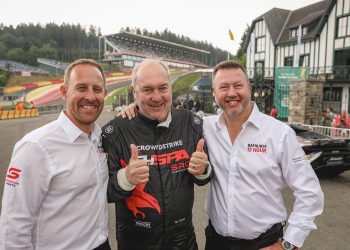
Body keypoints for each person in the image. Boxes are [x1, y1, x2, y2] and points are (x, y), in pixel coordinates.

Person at [203, 60, 324, 250]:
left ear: (249, 89)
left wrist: (288, 243)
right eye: (224, 87)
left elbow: (310, 192)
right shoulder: (205, 127)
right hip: (216, 241)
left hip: (264, 244)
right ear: (214, 92)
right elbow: (169, 118)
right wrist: (137, 111)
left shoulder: (279, 133)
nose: (232, 93)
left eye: (238, 85)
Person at [102, 59, 212, 250]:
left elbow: (204, 178)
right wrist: (125, 179)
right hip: (135, 243)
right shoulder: (115, 131)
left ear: (171, 87)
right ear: (134, 91)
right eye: (147, 90)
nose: (157, 97)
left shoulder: (191, 123)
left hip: (183, 242)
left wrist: (204, 170)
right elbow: (103, 192)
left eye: (163, 88)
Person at [0, 59, 111, 250]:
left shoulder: (100, 136)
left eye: (97, 89)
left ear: (105, 94)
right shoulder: (35, 146)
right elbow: (14, 224)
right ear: (64, 92)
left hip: (102, 244)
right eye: (82, 88)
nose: (90, 97)